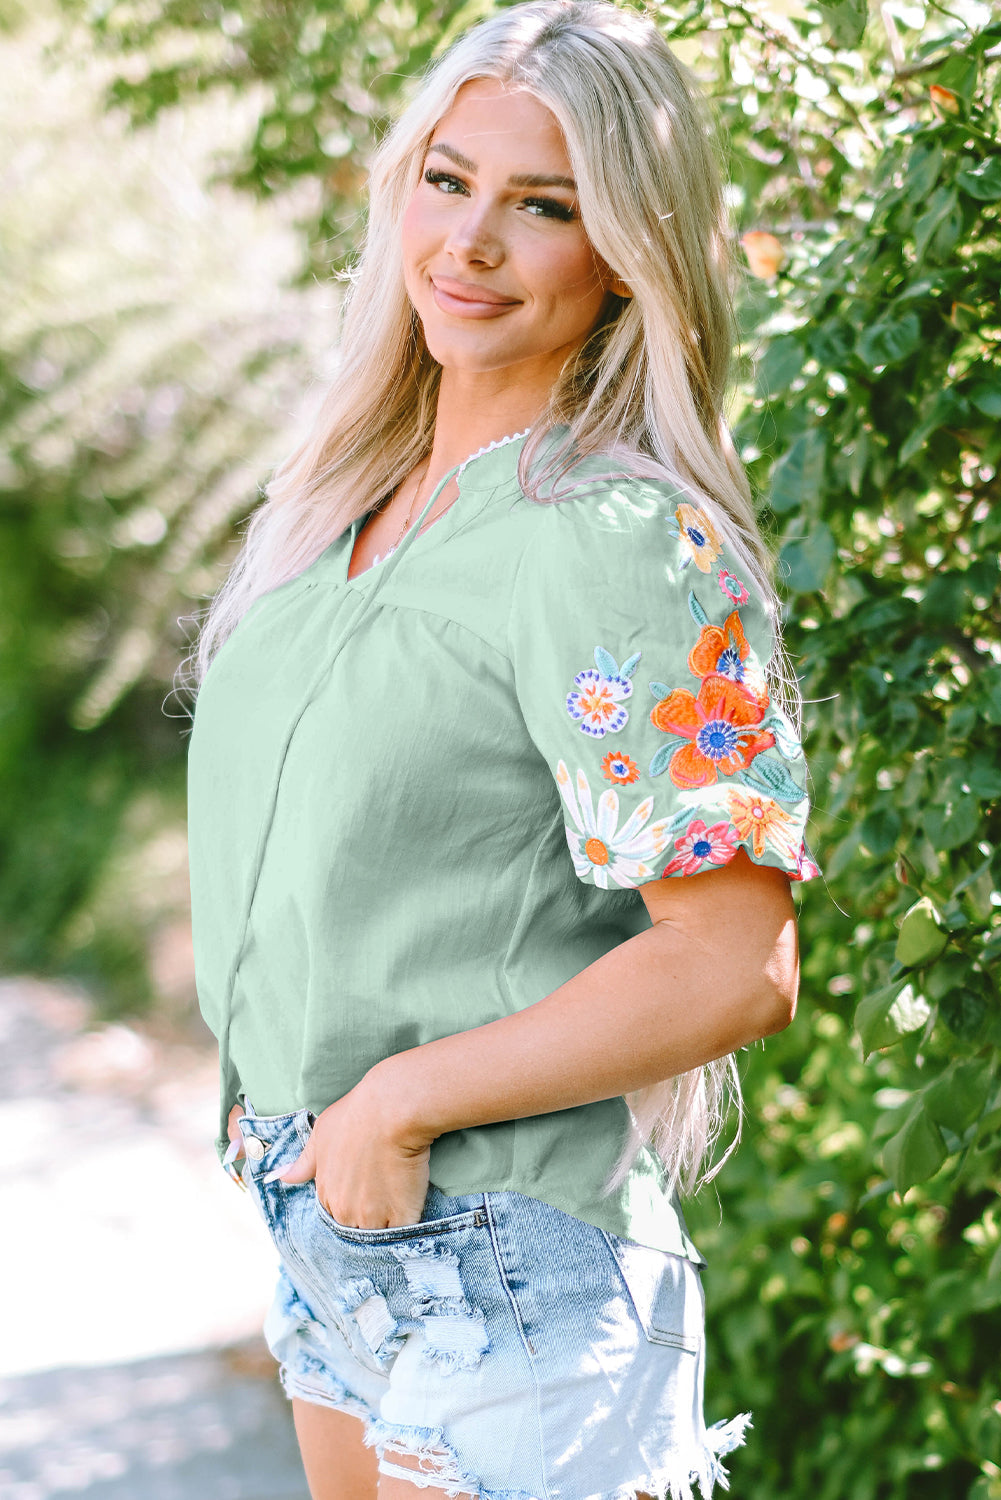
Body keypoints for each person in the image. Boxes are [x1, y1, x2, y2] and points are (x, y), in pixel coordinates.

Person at [184, 3, 819, 1497]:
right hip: (331, 1233)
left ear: (625, 254)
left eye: (544, 206)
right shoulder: (337, 509)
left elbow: (734, 964)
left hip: (507, 1256)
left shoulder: (615, 537)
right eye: (448, 179)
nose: (469, 242)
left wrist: (400, 1102)